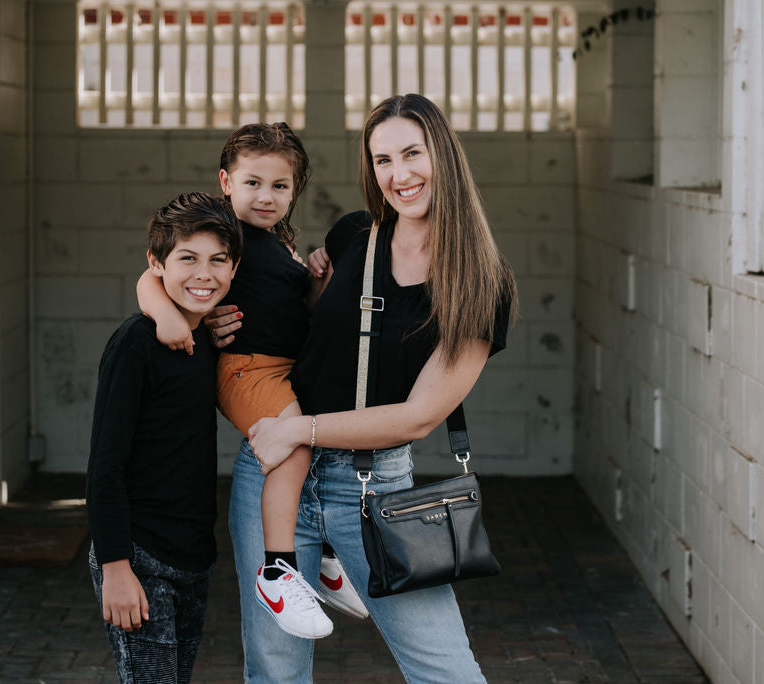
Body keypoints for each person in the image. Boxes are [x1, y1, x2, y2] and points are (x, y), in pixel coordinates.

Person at [210, 93, 518, 682]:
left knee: (447, 671)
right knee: (274, 672)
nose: (399, 175)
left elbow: (419, 416)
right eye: (382, 161)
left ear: (443, 155)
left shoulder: (481, 280)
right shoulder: (354, 237)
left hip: (374, 489)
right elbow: (297, 327)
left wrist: (300, 429)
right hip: (274, 478)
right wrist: (217, 318)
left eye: (412, 153)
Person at [135, 122, 368, 641]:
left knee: (325, 438)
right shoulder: (224, 234)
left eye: (280, 186)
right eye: (253, 183)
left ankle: (327, 563)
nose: (266, 196)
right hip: (247, 368)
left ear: (294, 191)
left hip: (284, 368)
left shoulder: (277, 244)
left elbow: (294, 310)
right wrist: (167, 316)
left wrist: (316, 280)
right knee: (296, 448)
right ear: (226, 181)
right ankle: (279, 572)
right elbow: (152, 274)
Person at [86, 192, 242, 684]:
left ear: (235, 267)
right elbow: (105, 465)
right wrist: (115, 565)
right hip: (140, 555)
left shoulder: (207, 341)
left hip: (193, 557)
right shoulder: (136, 344)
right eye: (187, 259)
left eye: (218, 260)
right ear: (156, 263)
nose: (204, 274)